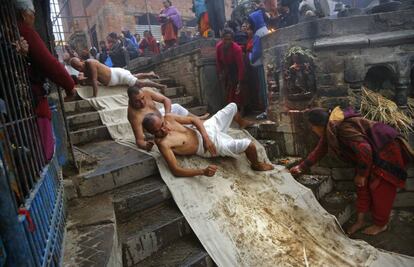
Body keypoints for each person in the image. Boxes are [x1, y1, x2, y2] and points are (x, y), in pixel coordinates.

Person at [290, 107, 413, 236]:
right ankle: (361, 221)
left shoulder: (342, 129)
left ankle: (381, 224)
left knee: (380, 187)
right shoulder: (331, 128)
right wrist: (302, 167)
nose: (312, 130)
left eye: (312, 127)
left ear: (319, 125)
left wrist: (362, 174)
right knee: (361, 186)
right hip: (370, 153)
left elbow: (365, 149)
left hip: (386, 149)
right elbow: (320, 150)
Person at [142, 102, 274, 177]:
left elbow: (194, 120)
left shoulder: (169, 117)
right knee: (249, 145)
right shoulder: (163, 144)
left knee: (233, 106)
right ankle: (256, 165)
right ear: (151, 133)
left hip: (205, 130)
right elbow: (176, 170)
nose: (164, 130)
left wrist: (206, 137)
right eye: (157, 131)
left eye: (163, 125)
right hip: (208, 147)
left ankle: (242, 122)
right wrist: (202, 171)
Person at [16, 0, 77, 160]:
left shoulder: (13, 30)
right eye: (32, 14)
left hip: (21, 104)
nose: (34, 18)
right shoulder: (24, 31)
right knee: (43, 154)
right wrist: (69, 85)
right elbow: (49, 63)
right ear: (24, 14)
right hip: (31, 101)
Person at [127, 85, 209, 151]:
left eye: (142, 98)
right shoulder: (134, 115)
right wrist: (146, 145)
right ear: (131, 101)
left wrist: (167, 115)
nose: (142, 102)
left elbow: (166, 100)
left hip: (160, 116)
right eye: (137, 101)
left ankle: (198, 118)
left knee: (176, 106)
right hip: (154, 128)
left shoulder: (146, 92)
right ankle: (196, 121)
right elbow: (139, 140)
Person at [69, 57, 166, 97]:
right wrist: (82, 80)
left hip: (117, 76)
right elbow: (90, 80)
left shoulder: (90, 63)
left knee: (139, 84)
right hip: (115, 75)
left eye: (79, 65)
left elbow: (94, 80)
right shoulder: (84, 70)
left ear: (81, 60)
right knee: (132, 76)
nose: (78, 69)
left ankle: (161, 86)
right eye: (76, 68)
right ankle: (150, 74)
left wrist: (95, 96)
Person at [248, 6, 270, 119]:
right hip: (267, 62)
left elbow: (256, 52)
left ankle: (267, 110)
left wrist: (249, 56)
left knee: (264, 88)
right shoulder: (265, 30)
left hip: (261, 64)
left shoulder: (258, 34)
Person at [216, 28, 245, 111]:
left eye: (230, 39)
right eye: (225, 39)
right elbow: (218, 62)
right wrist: (220, 73)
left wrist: (240, 81)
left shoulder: (237, 49)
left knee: (238, 90)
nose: (227, 42)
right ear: (222, 39)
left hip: (236, 68)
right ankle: (230, 109)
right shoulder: (219, 47)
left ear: (232, 39)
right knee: (228, 91)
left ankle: (240, 109)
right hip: (226, 69)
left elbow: (240, 66)